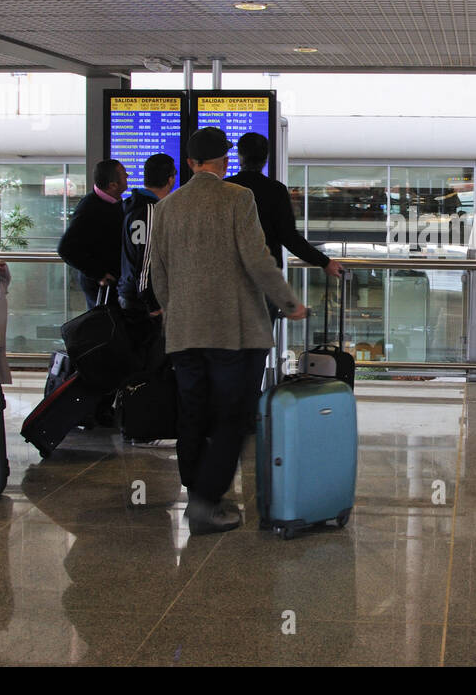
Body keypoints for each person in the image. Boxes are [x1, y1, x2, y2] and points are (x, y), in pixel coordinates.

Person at [145, 127, 309, 536]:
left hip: (183, 331)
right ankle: (205, 501)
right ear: (224, 162)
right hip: (231, 331)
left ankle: (196, 491)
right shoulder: (238, 199)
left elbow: (158, 273)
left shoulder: (166, 207)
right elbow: (258, 259)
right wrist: (289, 303)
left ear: (189, 163)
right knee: (230, 417)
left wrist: (174, 312)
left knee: (192, 413)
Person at [225, 133, 345, 295]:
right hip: (266, 278)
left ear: (239, 157)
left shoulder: (225, 189)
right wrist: (325, 262)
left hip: (231, 277)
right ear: (265, 158)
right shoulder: (276, 191)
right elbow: (289, 237)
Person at [120, 153, 176, 356]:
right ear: (171, 179)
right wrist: (152, 304)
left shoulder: (130, 206)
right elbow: (145, 262)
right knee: (149, 363)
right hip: (142, 304)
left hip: (131, 297)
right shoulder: (151, 211)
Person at [59, 159, 128, 308]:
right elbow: (65, 248)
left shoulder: (114, 203)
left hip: (115, 284)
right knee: (106, 328)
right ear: (113, 185)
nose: (127, 176)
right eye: (124, 175)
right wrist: (98, 273)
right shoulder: (89, 209)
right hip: (102, 288)